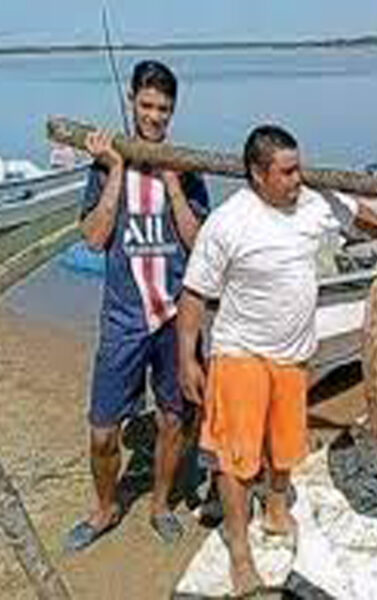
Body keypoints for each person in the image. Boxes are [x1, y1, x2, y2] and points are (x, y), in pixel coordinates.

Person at [177, 124, 377, 594]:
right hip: (240, 356)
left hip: (294, 356)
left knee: (284, 448)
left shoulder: (315, 203)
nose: (300, 178)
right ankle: (239, 553)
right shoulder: (229, 222)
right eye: (288, 171)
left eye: (299, 167)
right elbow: (194, 294)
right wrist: (187, 359)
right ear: (258, 175)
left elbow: (359, 216)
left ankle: (276, 510)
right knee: (234, 463)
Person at [64, 60, 210, 552]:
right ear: (131, 102)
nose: (154, 117)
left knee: (175, 419)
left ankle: (161, 503)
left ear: (173, 111)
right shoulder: (106, 163)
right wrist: (117, 170)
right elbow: (94, 238)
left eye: (163, 109)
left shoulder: (185, 170)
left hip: (175, 319)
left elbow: (199, 244)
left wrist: (171, 182)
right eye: (146, 106)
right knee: (103, 430)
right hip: (124, 318)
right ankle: (105, 508)